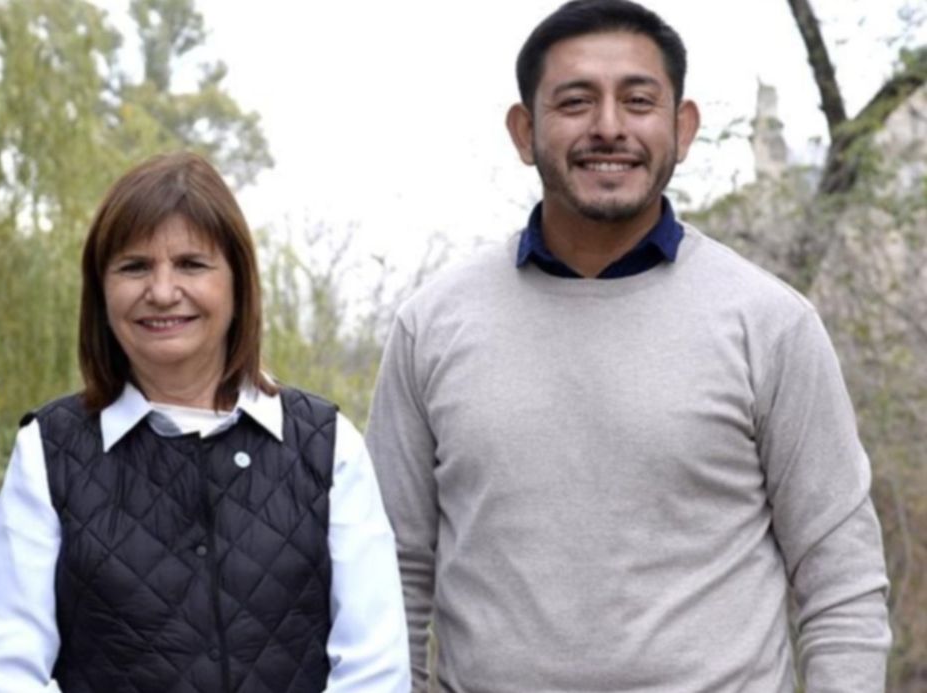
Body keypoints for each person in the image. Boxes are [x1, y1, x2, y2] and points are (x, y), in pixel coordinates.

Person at [364, 1, 892, 691]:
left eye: (638, 100)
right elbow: (389, 576)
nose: (609, 126)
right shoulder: (430, 326)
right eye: (576, 101)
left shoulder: (770, 324)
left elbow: (842, 579)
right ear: (525, 131)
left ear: (683, 126)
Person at [0, 151, 409, 692]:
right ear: (101, 290)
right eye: (134, 266)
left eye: (191, 264)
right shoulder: (50, 451)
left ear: (237, 282)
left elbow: (374, 666)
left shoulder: (324, 444)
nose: (161, 291)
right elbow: (11, 668)